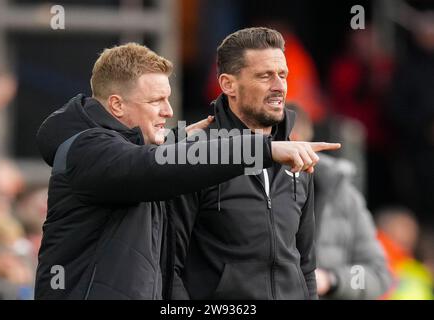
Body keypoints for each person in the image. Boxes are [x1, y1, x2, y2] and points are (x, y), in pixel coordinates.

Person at [34, 42, 339, 300]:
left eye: (168, 99)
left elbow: (146, 162)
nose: (168, 111)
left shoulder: (128, 150)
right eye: (156, 101)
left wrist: (177, 142)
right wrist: (264, 149)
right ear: (116, 105)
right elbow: (149, 170)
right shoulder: (87, 150)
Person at [170, 27, 340, 300]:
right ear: (228, 84)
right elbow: (170, 269)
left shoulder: (298, 157)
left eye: (282, 75)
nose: (279, 86)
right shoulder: (197, 156)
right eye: (265, 76)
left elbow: (305, 266)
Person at [288, 103, 392, 299]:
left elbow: (379, 275)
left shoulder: (341, 194)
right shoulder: (241, 189)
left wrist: (331, 279)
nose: (291, 147)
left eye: (295, 137)